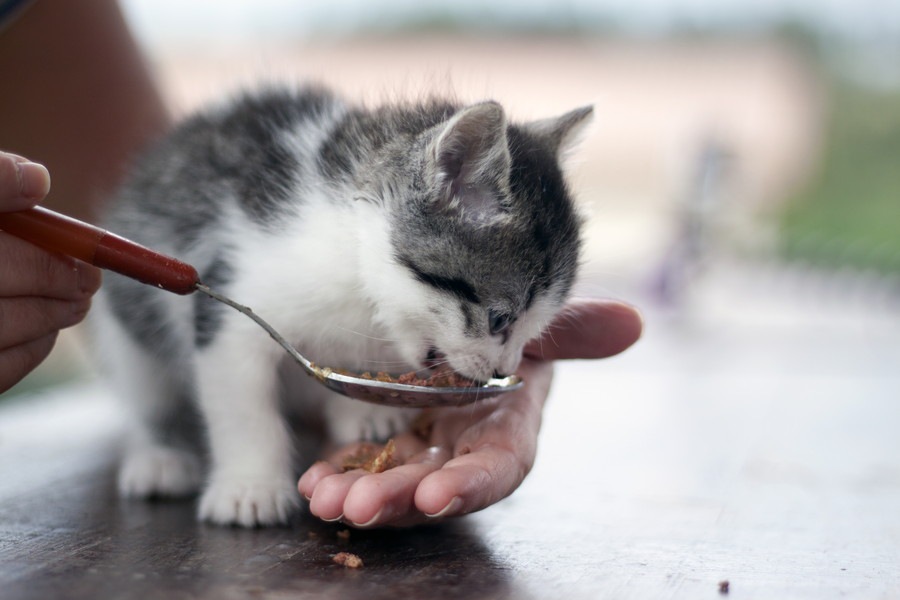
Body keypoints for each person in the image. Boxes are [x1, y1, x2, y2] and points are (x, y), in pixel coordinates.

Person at [0, 0, 643, 527]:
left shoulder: (399, 270)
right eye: (500, 322)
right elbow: (227, 331)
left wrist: (360, 396)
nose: (503, 367)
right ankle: (156, 434)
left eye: (524, 335)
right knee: (189, 340)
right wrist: (252, 467)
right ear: (444, 182)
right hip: (157, 349)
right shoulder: (309, 238)